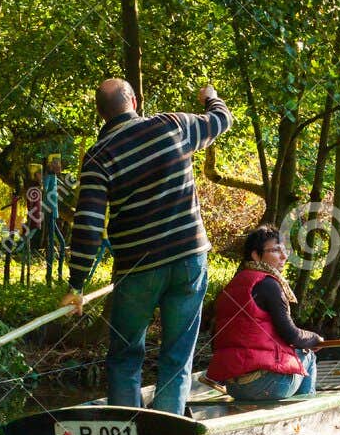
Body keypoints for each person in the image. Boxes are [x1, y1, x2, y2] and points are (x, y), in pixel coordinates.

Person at [62, 77, 232, 415]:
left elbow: (88, 226)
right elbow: (222, 120)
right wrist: (211, 98)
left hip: (137, 268)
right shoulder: (173, 125)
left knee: (125, 355)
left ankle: (126, 431)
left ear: (101, 113)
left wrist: (76, 285)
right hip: (188, 260)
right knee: (177, 353)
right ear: (135, 102)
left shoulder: (98, 156)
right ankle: (167, 429)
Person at [206, 225, 324, 401]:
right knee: (307, 355)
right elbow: (291, 335)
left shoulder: (231, 286)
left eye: (284, 250)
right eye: (276, 250)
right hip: (265, 384)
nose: (284, 256)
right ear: (255, 255)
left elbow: (215, 341)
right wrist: (314, 338)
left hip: (233, 385)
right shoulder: (269, 284)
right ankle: (305, 412)